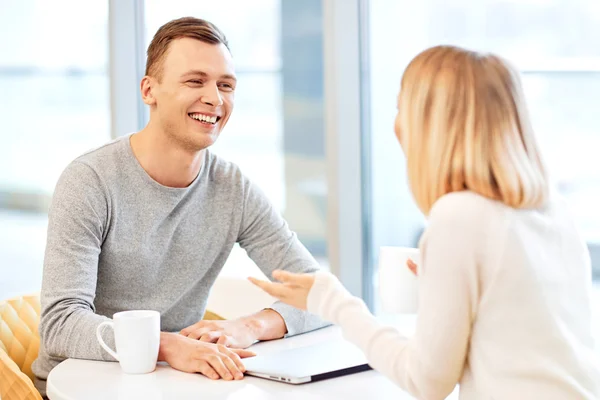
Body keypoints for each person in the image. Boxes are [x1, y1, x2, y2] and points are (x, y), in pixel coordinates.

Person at [250, 45, 600, 399]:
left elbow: (427, 382)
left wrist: (336, 304)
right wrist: (443, 284)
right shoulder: (555, 210)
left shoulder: (459, 216)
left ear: (431, 123)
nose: (397, 125)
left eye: (402, 107)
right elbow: (523, 331)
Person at [32, 17, 326, 395]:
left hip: (172, 385)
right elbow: (61, 324)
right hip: (76, 387)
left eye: (226, 85)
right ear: (149, 90)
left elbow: (320, 293)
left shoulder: (233, 189)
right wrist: (167, 345)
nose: (215, 99)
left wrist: (248, 326)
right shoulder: (90, 180)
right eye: (195, 81)